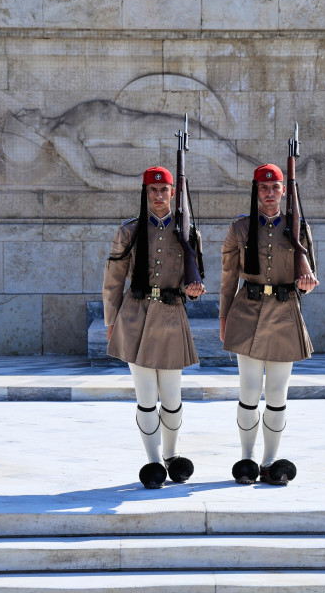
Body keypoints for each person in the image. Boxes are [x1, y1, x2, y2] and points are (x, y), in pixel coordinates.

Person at [103, 166, 205, 489]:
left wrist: (194, 290)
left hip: (172, 316)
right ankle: (153, 462)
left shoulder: (188, 232)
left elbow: (195, 280)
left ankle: (171, 455)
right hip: (136, 317)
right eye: (153, 190)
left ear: (173, 193)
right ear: (146, 193)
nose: (159, 196)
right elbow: (113, 281)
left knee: (172, 398)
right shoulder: (129, 232)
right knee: (146, 397)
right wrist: (111, 322)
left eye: (164, 190)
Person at [219, 163, 319, 486]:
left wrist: (305, 284)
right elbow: (228, 279)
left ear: (284, 191)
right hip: (246, 312)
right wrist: (223, 318)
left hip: (284, 313)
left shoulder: (298, 228)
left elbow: (309, 276)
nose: (269, 193)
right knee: (249, 390)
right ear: (255, 191)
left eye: (275, 187)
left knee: (277, 392)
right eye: (263, 187)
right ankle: (247, 459)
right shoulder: (240, 228)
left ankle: (270, 461)